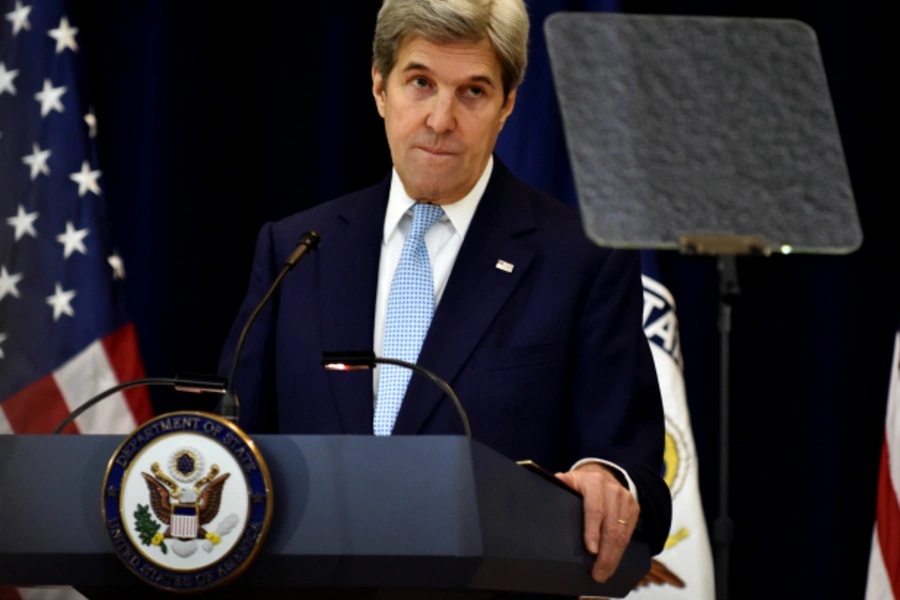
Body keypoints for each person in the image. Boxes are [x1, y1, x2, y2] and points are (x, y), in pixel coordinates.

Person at [219, 0, 671, 585]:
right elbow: (234, 444)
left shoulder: (582, 260)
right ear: (380, 88)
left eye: (473, 92)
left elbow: (630, 467)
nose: (439, 119)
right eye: (420, 83)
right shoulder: (295, 249)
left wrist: (607, 480)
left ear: (507, 105)